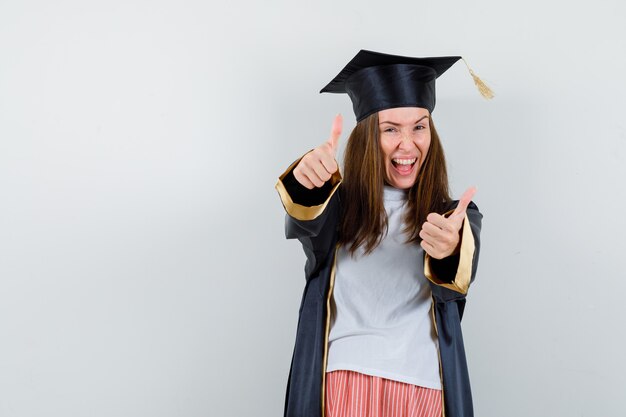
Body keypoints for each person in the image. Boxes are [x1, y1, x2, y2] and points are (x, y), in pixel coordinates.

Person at [275, 50, 490, 417]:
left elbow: (456, 276)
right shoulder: (338, 207)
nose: (407, 144)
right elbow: (305, 218)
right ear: (365, 139)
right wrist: (305, 178)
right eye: (390, 129)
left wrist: (450, 246)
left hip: (422, 388)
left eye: (419, 127)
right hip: (344, 383)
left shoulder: (451, 217)